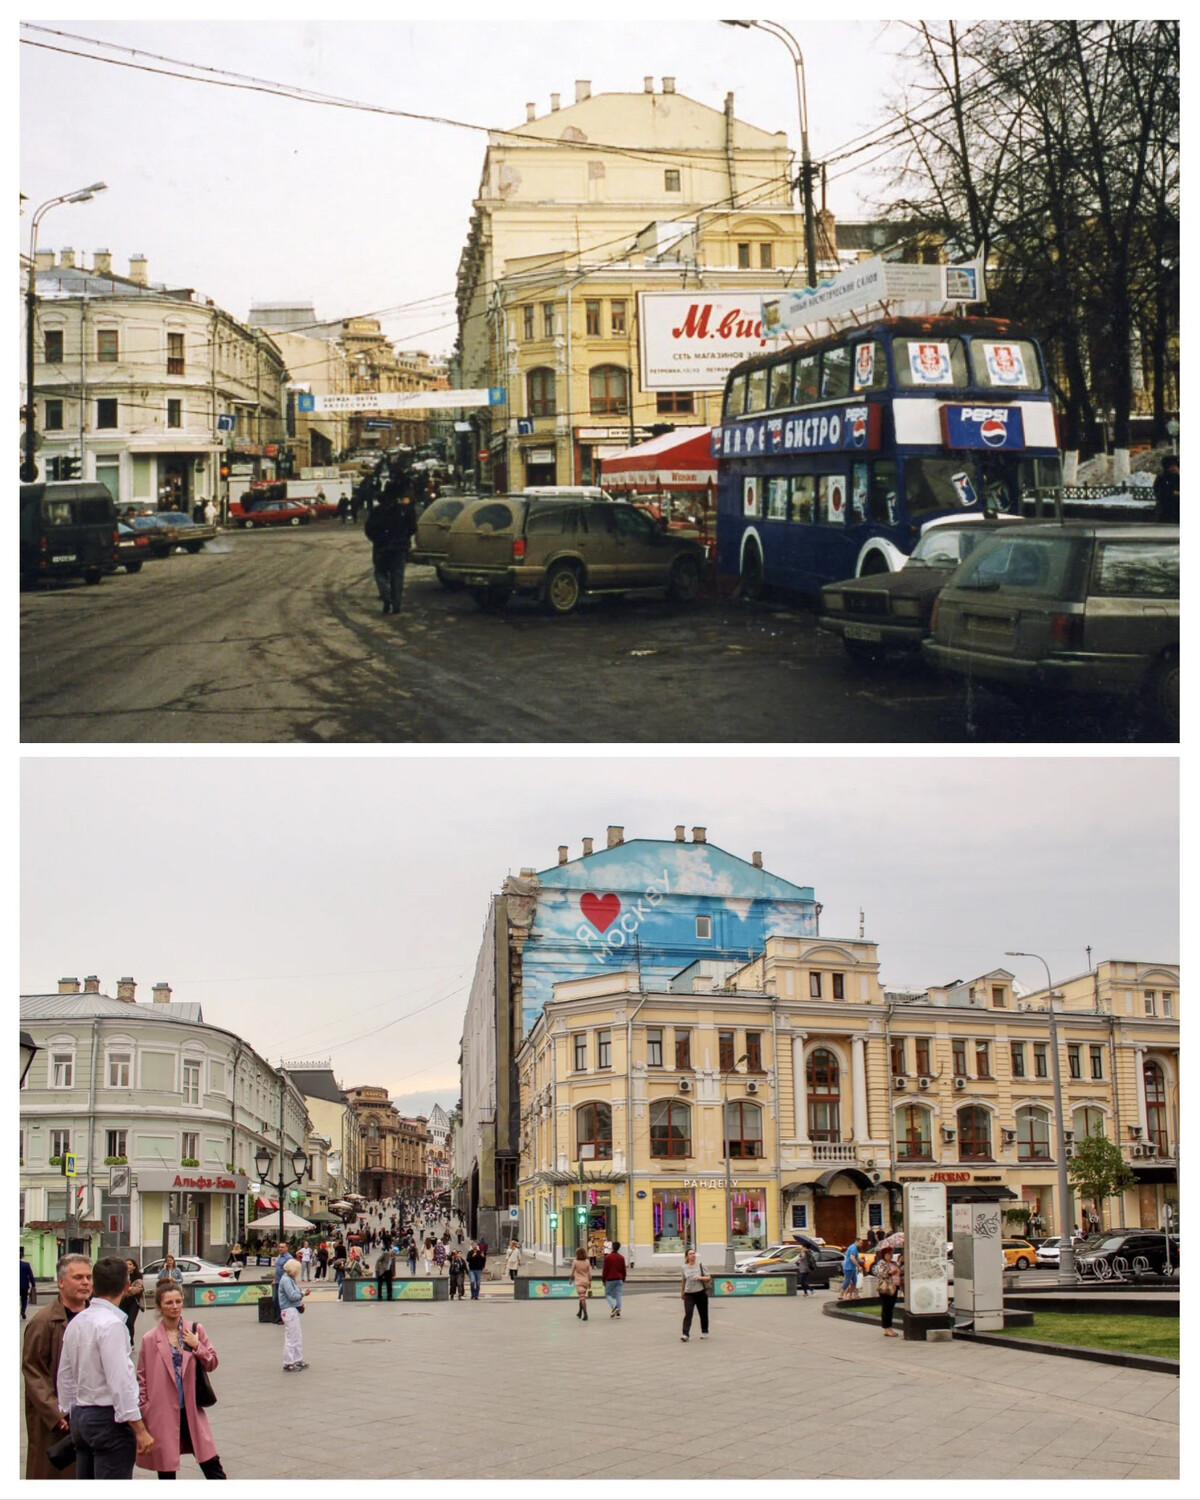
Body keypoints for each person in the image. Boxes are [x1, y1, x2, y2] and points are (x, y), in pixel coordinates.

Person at [57, 1256, 156, 1479]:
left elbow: (65, 1374)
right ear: (126, 1286)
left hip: (81, 1415)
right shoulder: (111, 1325)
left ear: (94, 1285)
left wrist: (69, 1409)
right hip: (107, 1419)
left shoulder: (78, 1321)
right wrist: (139, 1429)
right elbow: (120, 1381)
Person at [136, 1281, 225, 1478]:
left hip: (191, 1409)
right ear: (159, 1306)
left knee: (212, 1465)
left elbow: (212, 1363)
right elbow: (142, 1378)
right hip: (162, 1412)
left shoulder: (194, 1330)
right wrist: (145, 1409)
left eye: (178, 1301)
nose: (174, 1306)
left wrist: (197, 1346)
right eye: (168, 1303)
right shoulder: (150, 1339)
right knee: (166, 1470)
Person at [23, 1252, 92, 1479]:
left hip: (93, 1415)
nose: (85, 1282)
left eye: (89, 1278)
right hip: (57, 1421)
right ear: (61, 1282)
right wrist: (55, 1412)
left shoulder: (98, 1317)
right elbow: (34, 1372)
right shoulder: (44, 1322)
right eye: (78, 1277)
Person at [364, 486, 416, 615]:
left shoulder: (377, 511)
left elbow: (369, 529)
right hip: (399, 547)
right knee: (397, 576)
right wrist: (404, 537)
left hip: (381, 547)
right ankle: (396, 604)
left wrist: (378, 540)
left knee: (380, 573)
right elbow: (412, 527)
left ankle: (386, 595)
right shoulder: (403, 511)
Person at [277, 1259, 309, 1372]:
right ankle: (288, 1362)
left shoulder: (289, 1279)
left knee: (297, 1335)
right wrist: (303, 1293)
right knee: (291, 1337)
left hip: (292, 1310)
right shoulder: (286, 1280)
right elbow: (292, 1296)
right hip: (289, 1310)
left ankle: (297, 1359)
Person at [679, 1248, 712, 1342]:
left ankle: (705, 1331)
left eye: (694, 1253)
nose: (693, 1255)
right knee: (688, 1313)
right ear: (687, 1257)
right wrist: (682, 1293)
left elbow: (709, 1277)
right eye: (690, 1254)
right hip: (689, 1294)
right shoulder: (684, 1267)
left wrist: (700, 1278)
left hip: (700, 1293)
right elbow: (683, 1280)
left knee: (703, 1313)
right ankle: (685, 1334)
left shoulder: (701, 1265)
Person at [874, 1245, 903, 1337]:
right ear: (884, 1255)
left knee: (890, 1307)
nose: (890, 1255)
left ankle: (888, 1327)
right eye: (888, 1254)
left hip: (894, 1287)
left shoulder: (893, 1263)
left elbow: (899, 1272)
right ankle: (887, 1327)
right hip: (886, 1288)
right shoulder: (881, 1263)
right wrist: (891, 1272)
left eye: (891, 1254)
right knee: (887, 1307)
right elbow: (879, 1273)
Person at [120, 1260, 144, 1347]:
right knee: (123, 1322)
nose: (128, 1266)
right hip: (122, 1302)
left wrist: (126, 1289)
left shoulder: (138, 1276)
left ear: (134, 1266)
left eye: (130, 1264)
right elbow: (118, 1288)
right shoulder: (121, 1276)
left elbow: (137, 1289)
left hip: (134, 1303)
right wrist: (128, 1289)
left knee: (130, 1322)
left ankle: (131, 1343)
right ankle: (124, 1341)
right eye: (126, 1264)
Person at [602, 1239, 627, 1319]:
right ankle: (618, 1313)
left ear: (612, 1247)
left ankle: (614, 1306)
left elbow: (605, 1270)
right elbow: (623, 1269)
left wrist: (603, 1280)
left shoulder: (608, 1257)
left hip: (610, 1278)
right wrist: (623, 1278)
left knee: (608, 1294)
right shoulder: (621, 1257)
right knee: (618, 1295)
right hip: (619, 1278)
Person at [1154, 453, 1179, 524]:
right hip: (1166, 510)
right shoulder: (1162, 478)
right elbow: (1159, 492)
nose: (1174, 468)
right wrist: (1172, 493)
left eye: (1175, 466)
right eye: (1171, 466)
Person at [570, 1246, 592, 1322]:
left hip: (579, 1282)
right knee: (581, 1297)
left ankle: (585, 1313)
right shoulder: (587, 1262)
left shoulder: (575, 1262)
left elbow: (572, 1272)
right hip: (585, 1281)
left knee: (582, 1298)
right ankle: (579, 1312)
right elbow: (590, 1274)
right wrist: (590, 1282)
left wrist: (570, 1279)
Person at [21, 1249, 37, 1320]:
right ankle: (23, 1310)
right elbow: (31, 1275)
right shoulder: (26, 1265)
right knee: (24, 1299)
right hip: (24, 1286)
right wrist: (33, 1285)